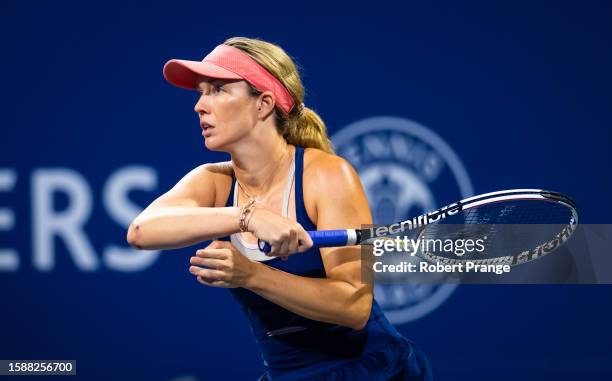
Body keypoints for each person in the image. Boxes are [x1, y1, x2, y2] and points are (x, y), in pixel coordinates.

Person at [127, 36, 432, 381]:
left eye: (217, 90)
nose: (199, 105)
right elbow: (141, 231)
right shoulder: (212, 181)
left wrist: (252, 275)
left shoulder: (327, 175)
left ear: (263, 104)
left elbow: (353, 307)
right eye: (201, 92)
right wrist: (248, 216)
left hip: (374, 372)